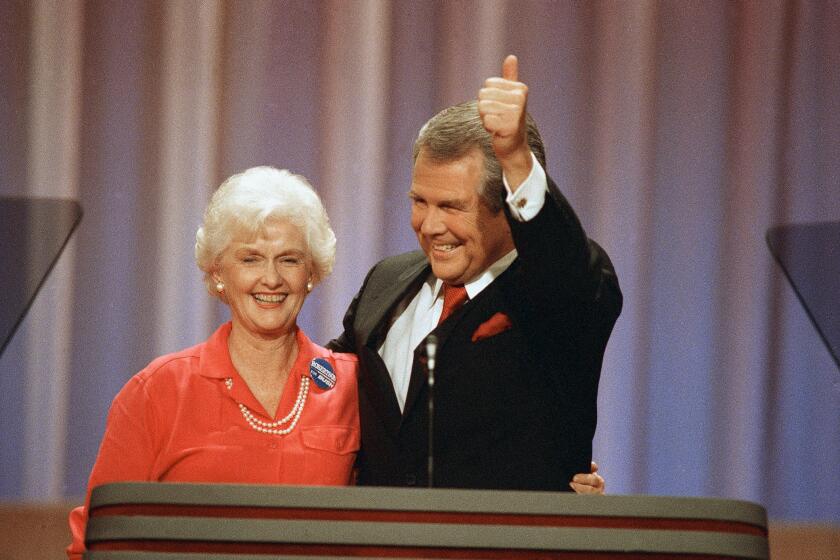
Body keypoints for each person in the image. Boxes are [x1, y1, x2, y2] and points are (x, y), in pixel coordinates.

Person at [328, 55, 622, 491]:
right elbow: (326, 387)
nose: (429, 226)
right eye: (419, 201)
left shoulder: (558, 295)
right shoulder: (385, 282)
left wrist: (517, 160)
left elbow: (565, 265)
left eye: (451, 206)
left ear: (507, 206)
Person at [67, 167, 360, 559]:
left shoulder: (353, 387)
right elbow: (97, 542)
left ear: (311, 274)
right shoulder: (156, 391)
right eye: (251, 259)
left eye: (289, 260)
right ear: (219, 273)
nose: (271, 279)